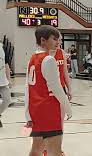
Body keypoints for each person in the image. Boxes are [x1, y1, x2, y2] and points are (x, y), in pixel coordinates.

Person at [25, 25, 72, 156]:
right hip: (49, 109)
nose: (58, 42)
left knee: (36, 150)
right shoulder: (49, 59)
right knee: (55, 151)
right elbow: (56, 88)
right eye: (54, 39)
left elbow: (27, 88)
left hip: (36, 109)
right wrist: (68, 108)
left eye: (58, 39)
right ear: (43, 40)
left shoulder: (32, 58)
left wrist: (27, 113)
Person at [0, 42, 11, 128]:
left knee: (7, 100)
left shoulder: (2, 46)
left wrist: (9, 79)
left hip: (2, 80)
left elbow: (6, 64)